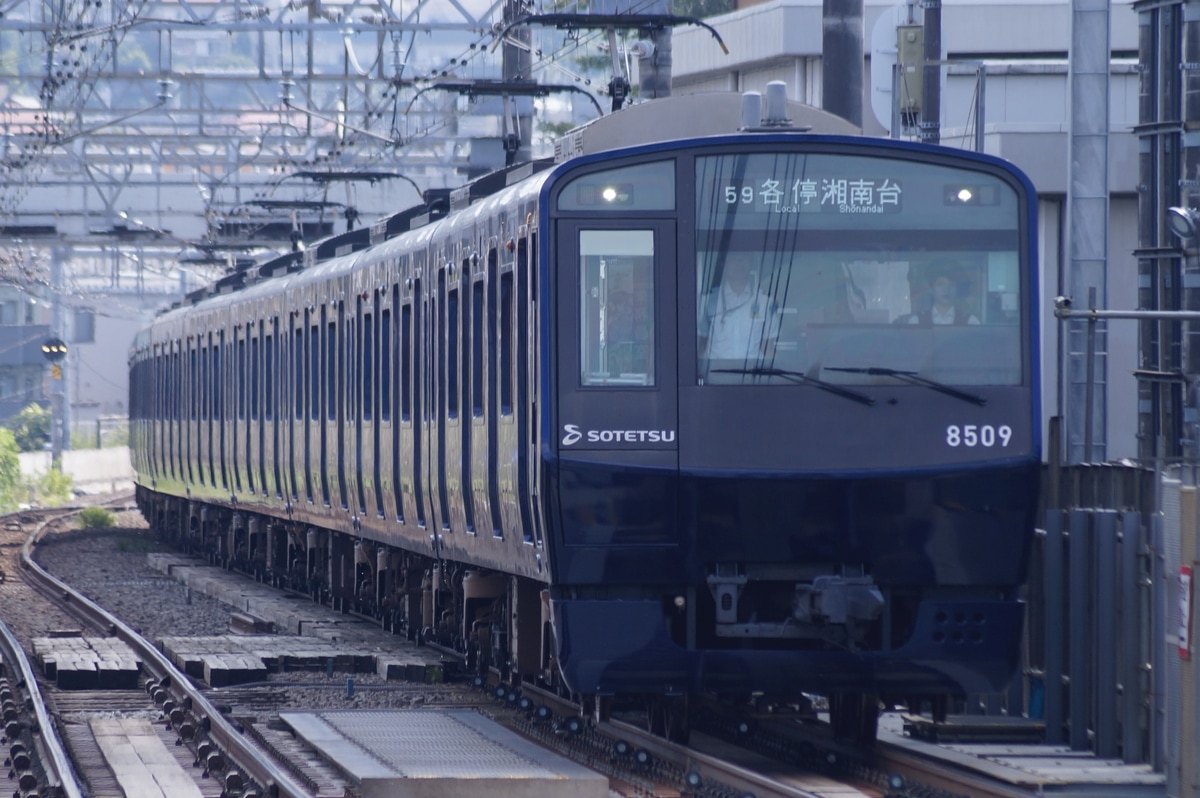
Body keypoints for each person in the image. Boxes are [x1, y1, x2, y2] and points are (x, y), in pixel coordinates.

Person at [700, 253, 780, 360]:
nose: (739, 264)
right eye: (733, 260)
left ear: (750, 263)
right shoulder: (707, 301)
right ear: (725, 264)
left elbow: (769, 348)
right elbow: (700, 345)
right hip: (716, 374)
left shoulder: (766, 302)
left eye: (743, 259)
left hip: (753, 374)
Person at [906, 268, 979, 325]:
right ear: (932, 288)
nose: (946, 289)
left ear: (957, 289)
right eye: (940, 284)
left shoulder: (971, 322)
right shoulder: (916, 321)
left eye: (951, 285)